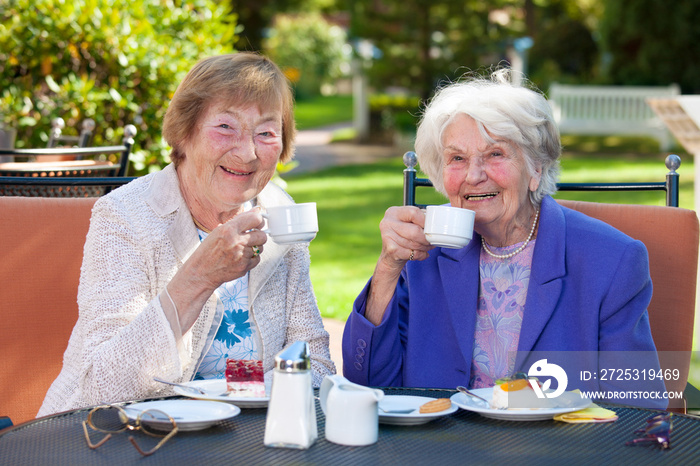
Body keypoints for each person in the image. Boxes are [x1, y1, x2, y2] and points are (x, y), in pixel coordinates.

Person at [342, 70, 665, 406]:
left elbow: (638, 410)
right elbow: (368, 385)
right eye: (457, 158)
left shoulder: (611, 261)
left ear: (536, 168)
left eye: (495, 154)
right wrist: (388, 267)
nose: (474, 175)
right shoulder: (423, 254)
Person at [39, 53, 335, 416]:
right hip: (116, 437)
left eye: (266, 133)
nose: (247, 152)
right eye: (226, 127)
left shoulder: (279, 210)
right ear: (185, 132)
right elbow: (103, 386)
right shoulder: (124, 216)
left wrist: (230, 393)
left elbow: (316, 367)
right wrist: (197, 279)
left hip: (238, 440)